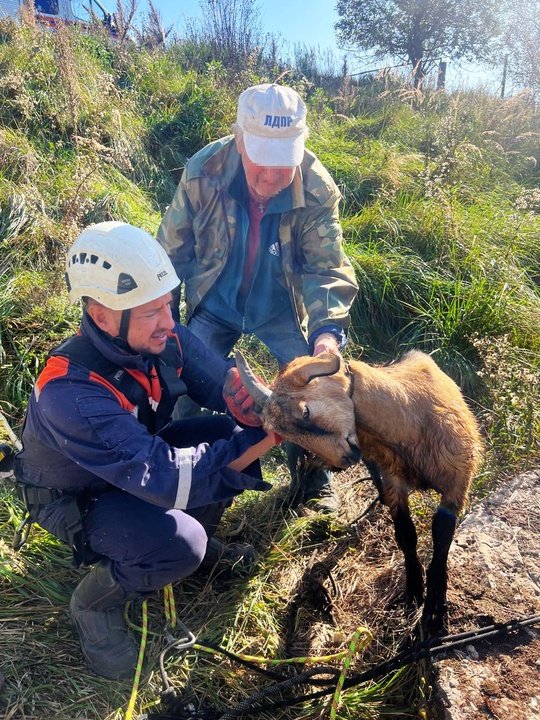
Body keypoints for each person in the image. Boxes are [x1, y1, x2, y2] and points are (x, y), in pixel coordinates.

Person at [14, 221, 279, 680]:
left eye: (169, 304)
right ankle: (93, 606)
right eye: (151, 311)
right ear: (101, 315)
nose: (169, 322)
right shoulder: (69, 391)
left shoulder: (157, 336)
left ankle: (183, 549)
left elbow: (218, 383)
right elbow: (167, 477)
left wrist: (257, 410)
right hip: (76, 498)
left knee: (221, 435)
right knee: (182, 539)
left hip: (135, 461)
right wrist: (271, 437)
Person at [157, 83, 358, 513]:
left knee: (312, 388)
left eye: (282, 167)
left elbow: (327, 268)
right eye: (260, 165)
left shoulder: (317, 189)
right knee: (185, 381)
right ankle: (177, 472)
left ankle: (311, 479)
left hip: (279, 306)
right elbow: (171, 252)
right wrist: (167, 322)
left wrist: (325, 338)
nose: (271, 179)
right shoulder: (203, 172)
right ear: (240, 141)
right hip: (216, 299)